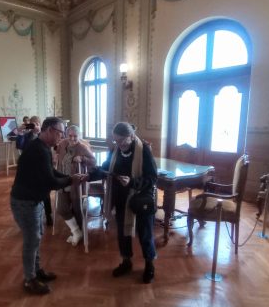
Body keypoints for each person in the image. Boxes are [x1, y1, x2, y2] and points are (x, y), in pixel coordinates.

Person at [10, 117, 86, 295]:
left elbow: (50, 172)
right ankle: (29, 280)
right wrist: (71, 180)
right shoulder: (39, 150)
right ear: (50, 130)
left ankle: (36, 272)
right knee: (31, 240)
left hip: (33, 200)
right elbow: (50, 182)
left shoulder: (42, 147)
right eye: (60, 132)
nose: (62, 136)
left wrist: (68, 177)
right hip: (25, 202)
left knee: (36, 237)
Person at [88, 122, 158, 284]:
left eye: (121, 140)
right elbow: (105, 169)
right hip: (120, 198)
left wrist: (132, 182)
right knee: (123, 233)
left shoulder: (143, 151)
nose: (118, 144)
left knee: (145, 233)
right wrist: (89, 175)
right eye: (116, 140)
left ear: (131, 136)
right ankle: (126, 261)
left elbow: (152, 179)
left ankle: (149, 265)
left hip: (140, 199)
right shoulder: (116, 150)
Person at [55, 125, 96, 246]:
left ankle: (78, 233)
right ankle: (76, 231)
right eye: (70, 136)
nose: (72, 138)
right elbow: (57, 154)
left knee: (77, 209)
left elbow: (93, 161)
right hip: (63, 181)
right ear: (66, 135)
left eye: (75, 136)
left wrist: (83, 159)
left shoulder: (82, 147)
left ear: (79, 136)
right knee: (62, 208)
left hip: (76, 183)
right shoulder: (62, 144)